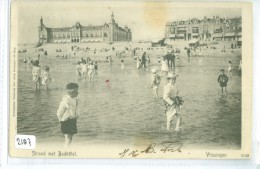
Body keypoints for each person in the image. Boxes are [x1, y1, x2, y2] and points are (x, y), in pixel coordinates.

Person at [57, 83, 79, 147]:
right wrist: (60, 119)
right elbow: (59, 112)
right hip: (66, 121)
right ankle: (66, 150)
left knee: (70, 137)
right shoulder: (65, 101)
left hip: (72, 120)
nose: (78, 93)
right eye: (77, 91)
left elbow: (75, 109)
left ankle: (67, 148)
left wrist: (76, 115)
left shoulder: (75, 99)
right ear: (72, 92)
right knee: (68, 138)